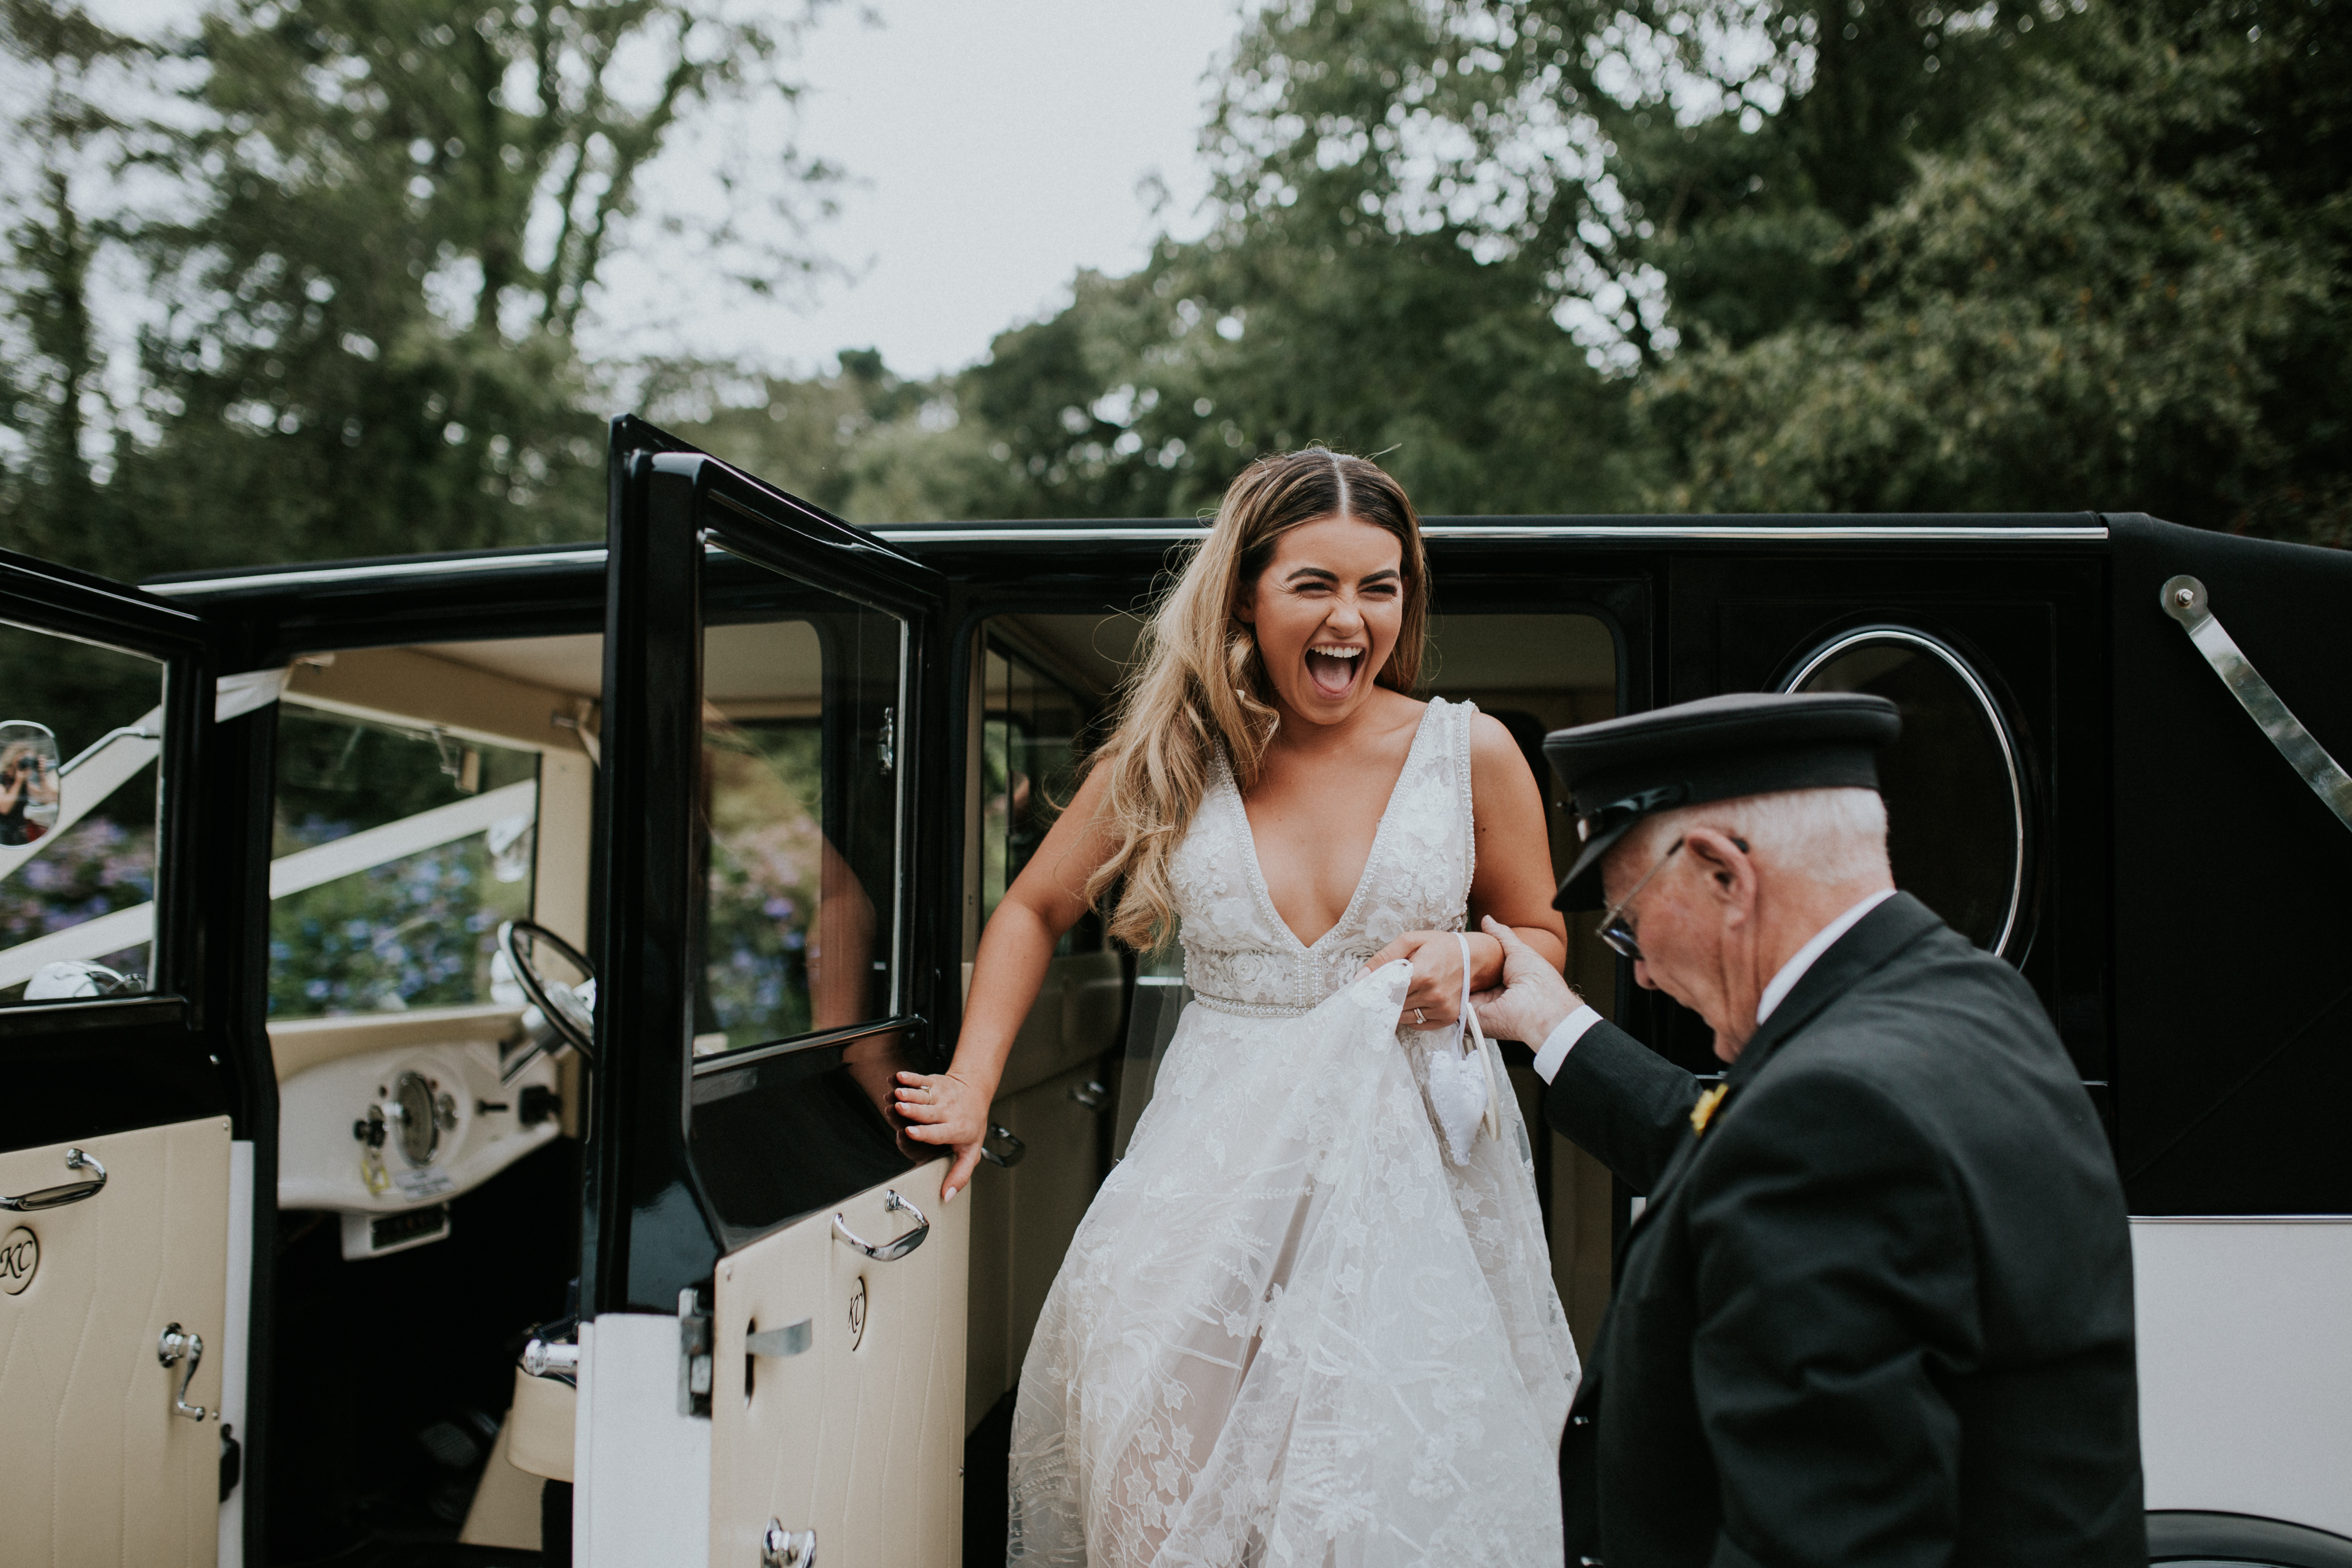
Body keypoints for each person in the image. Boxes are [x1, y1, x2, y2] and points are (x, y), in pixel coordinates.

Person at [892, 449, 1581, 1565]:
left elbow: (1541, 939)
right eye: (1313, 583)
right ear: (1246, 593)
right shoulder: (1173, 755)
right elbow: (1029, 906)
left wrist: (1471, 955)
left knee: (1370, 1509)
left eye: (1380, 584)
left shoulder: (1472, 753)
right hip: (1197, 1190)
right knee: (1151, 1487)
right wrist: (970, 1082)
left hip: (1400, 1199)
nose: (1350, 618)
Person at [1470, 691, 2144, 1568]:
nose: (1637, 969)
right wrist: (1560, 1026)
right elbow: (1734, 1159)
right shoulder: (1970, 1000)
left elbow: (1824, 1538)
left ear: (1724, 873)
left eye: (1628, 924)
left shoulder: (1831, 1120)